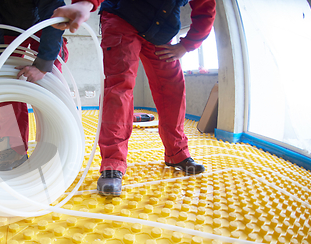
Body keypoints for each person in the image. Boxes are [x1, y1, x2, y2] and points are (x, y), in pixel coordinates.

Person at [53, 0, 216, 196]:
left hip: (161, 31)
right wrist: (85, 4)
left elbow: (205, 7)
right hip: (123, 18)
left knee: (173, 89)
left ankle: (177, 153)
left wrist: (187, 45)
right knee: (119, 89)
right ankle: (112, 163)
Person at [0, 0, 69, 171]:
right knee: (6, 87)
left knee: (51, 84)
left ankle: (57, 144)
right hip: (6, 28)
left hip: (44, 23)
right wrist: (1, 62)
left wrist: (44, 64)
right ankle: (13, 149)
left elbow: (54, 11)